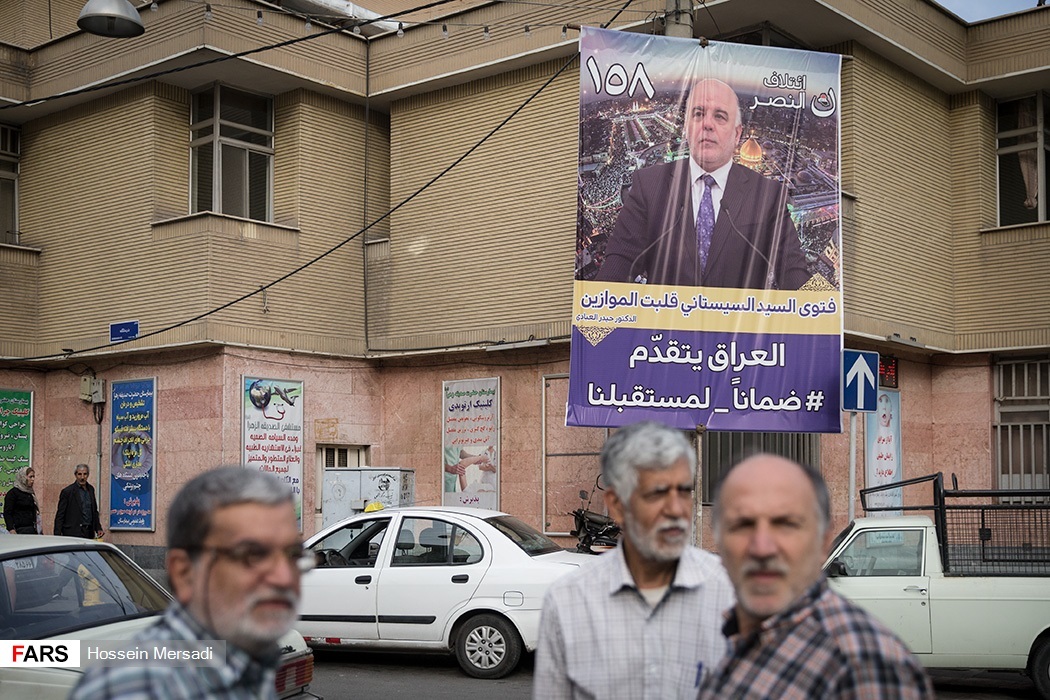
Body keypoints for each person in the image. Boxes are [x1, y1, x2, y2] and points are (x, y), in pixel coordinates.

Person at [697, 454, 934, 699]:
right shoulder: (733, 633)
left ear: (823, 542)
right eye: (742, 525)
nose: (762, 547)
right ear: (719, 540)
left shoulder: (865, 666)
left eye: (786, 524)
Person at [71, 466, 310, 699]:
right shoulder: (135, 689)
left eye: (293, 555)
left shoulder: (246, 662)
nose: (284, 578)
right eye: (254, 555)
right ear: (185, 572)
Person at [534, 421, 734, 700]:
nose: (676, 509)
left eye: (684, 491)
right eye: (657, 493)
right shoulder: (567, 602)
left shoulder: (727, 593)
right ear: (617, 505)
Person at [594, 79, 811, 290]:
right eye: (698, 114)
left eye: (720, 116)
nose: (707, 124)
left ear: (737, 135)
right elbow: (618, 265)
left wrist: (827, 313)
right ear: (687, 127)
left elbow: (795, 272)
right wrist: (595, 325)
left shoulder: (768, 196)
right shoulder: (649, 185)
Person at [54, 463, 103, 539]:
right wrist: (57, 535)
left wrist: (98, 528)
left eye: (85, 474)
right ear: (75, 475)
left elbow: (94, 511)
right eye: (79, 474)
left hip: (88, 532)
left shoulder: (90, 489)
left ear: (88, 475)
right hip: (73, 532)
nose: (82, 477)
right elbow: (60, 514)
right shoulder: (68, 492)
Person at [4, 466, 41, 534]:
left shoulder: (30, 493)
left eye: (33, 477)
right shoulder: (13, 493)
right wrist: (11, 529)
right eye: (30, 477)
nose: (33, 479)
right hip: (19, 530)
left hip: (31, 529)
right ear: (23, 477)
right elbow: (7, 513)